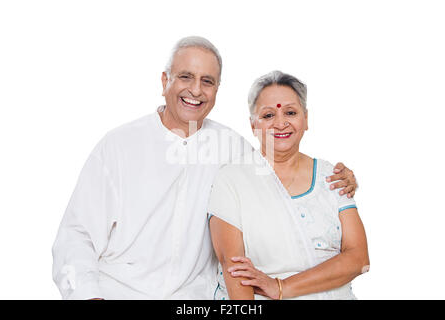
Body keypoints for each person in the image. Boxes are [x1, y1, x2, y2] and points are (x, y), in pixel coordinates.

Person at [52, 37, 358, 299]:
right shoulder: (118, 145)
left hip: (196, 299)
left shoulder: (231, 146)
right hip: (118, 290)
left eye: (207, 81)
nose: (196, 90)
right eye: (185, 77)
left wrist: (342, 178)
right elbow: (76, 236)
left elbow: (281, 165)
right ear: (164, 82)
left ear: (216, 89)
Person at [208, 70, 369, 300]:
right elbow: (235, 271)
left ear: (306, 119)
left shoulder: (331, 176)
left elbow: (359, 259)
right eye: (268, 115)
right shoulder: (232, 181)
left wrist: (281, 287)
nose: (281, 123)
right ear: (253, 125)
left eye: (290, 112)